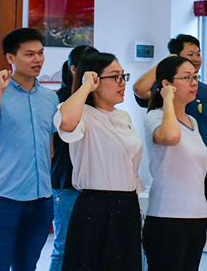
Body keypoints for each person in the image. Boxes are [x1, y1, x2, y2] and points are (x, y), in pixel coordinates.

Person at [0, 28, 57, 271]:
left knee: (27, 264)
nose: (37, 60)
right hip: (5, 197)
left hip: (41, 197)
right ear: (11, 58)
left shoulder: (49, 98)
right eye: (29, 54)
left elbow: (50, 143)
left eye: (40, 53)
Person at [55, 52, 144, 271]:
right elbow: (65, 121)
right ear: (95, 80)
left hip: (127, 204)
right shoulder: (82, 113)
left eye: (123, 76)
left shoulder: (123, 116)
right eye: (115, 77)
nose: (122, 83)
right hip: (96, 207)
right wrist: (85, 86)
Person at [134, 34, 207, 215]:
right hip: (172, 190)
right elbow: (139, 88)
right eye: (190, 54)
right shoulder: (158, 109)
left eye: (198, 54)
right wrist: (168, 65)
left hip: (201, 177)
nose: (196, 59)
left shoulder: (204, 93)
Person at [142, 56, 207, 271]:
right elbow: (170, 137)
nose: (194, 83)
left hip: (197, 215)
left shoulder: (193, 121)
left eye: (195, 77)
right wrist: (168, 100)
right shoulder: (155, 117)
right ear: (166, 84)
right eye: (186, 77)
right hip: (167, 215)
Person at [50, 44, 99, 271]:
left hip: (92, 183)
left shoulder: (95, 100)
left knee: (89, 248)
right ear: (73, 70)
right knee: (64, 248)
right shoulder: (62, 99)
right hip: (67, 182)